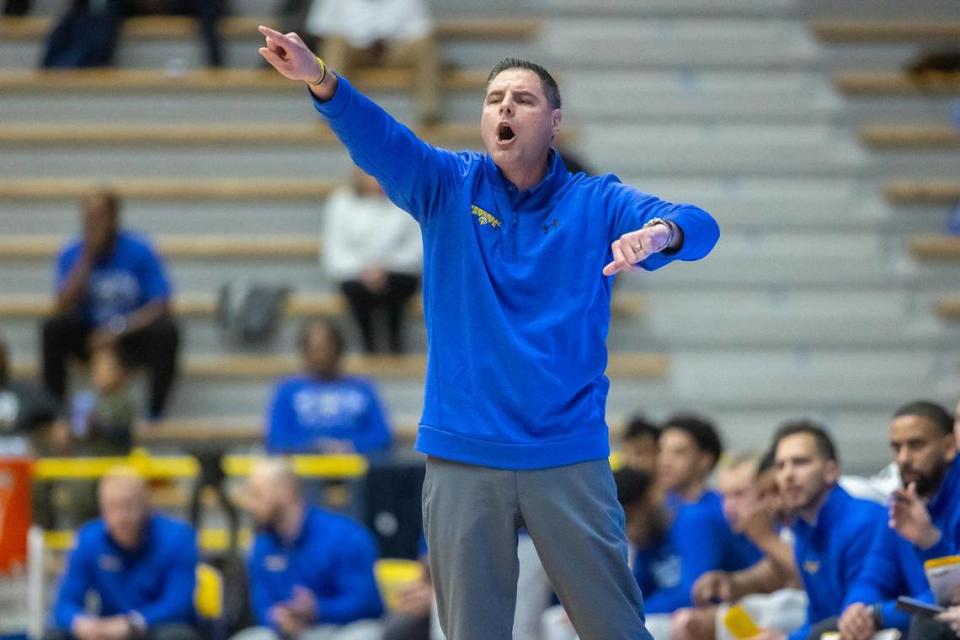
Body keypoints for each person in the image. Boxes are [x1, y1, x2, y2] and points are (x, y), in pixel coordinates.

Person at [258, 28, 720, 640]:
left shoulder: (596, 201)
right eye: (493, 98)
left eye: (522, 99)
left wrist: (659, 234)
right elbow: (381, 141)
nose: (504, 107)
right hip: (463, 455)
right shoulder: (446, 186)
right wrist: (321, 78)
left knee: (615, 627)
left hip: (567, 455)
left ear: (554, 121)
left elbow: (701, 224)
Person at [41, 189, 180, 422]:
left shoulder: (139, 250)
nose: (94, 222)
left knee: (167, 331)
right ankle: (54, 412)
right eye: (89, 216)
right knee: (53, 328)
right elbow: (61, 304)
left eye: (100, 215)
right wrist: (87, 257)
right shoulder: (73, 252)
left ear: (114, 217)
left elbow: (161, 304)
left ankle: (155, 413)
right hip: (88, 333)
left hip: (129, 333)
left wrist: (118, 329)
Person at [831, 401, 960, 640]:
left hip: (938, 622)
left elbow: (952, 594)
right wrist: (857, 607)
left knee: (928, 626)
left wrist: (931, 542)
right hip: (914, 619)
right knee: (829, 630)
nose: (904, 458)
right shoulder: (900, 503)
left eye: (916, 445)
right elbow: (874, 576)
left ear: (950, 447)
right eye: (896, 448)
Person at [746, 421, 886, 640]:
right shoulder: (803, 531)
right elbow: (818, 619)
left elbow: (855, 620)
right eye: (781, 466)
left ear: (831, 471)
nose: (788, 475)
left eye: (800, 462)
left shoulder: (863, 522)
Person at [232, 458, 383, 640]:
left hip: (338, 629)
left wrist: (318, 609)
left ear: (285, 491)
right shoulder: (261, 545)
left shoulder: (346, 536)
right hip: (290, 633)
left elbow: (367, 603)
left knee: (364, 635)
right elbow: (263, 605)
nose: (249, 504)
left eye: (257, 494)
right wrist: (279, 618)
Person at [640, 415, 761, 635]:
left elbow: (693, 594)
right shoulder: (660, 511)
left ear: (704, 460)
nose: (664, 461)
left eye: (678, 452)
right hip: (670, 611)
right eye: (662, 451)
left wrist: (632, 611)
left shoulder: (706, 513)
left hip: (721, 613)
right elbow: (641, 579)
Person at [46, 468, 200, 640]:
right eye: (113, 507)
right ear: (102, 509)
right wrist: (80, 623)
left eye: (129, 506)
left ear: (146, 504)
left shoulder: (178, 537)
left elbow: (179, 604)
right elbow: (64, 604)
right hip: (107, 629)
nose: (122, 517)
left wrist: (132, 624)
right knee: (56, 635)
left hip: (154, 629)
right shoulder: (89, 539)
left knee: (177, 636)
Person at [676, 452, 805, 640]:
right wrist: (731, 582)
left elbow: (812, 580)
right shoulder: (743, 533)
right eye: (725, 497)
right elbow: (768, 575)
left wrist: (766, 538)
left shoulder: (791, 524)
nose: (729, 507)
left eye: (739, 494)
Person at [324, 167, 422, 354]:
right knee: (357, 292)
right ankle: (368, 349)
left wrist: (385, 267)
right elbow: (334, 252)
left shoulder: (406, 199)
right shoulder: (341, 202)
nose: (375, 179)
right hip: (355, 274)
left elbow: (417, 249)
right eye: (370, 173)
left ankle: (396, 347)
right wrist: (365, 269)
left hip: (398, 273)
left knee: (397, 288)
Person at [265, 318, 392, 455]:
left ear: (338, 348)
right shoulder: (288, 390)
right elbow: (277, 439)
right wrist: (314, 448)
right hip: (303, 468)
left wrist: (350, 446)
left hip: (356, 466)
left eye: (325, 348)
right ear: (304, 351)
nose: (320, 355)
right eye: (314, 348)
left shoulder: (362, 389)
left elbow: (382, 437)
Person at [304, 0, 440, 125]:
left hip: (394, 50)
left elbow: (421, 30)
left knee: (425, 45)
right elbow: (321, 31)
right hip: (354, 50)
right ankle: (331, 109)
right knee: (334, 44)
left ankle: (429, 112)